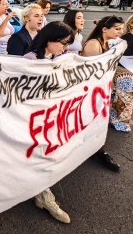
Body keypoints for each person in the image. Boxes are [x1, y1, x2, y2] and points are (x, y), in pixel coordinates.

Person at [24, 21, 75, 224]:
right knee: (40, 157)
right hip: (33, 119)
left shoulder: (59, 59)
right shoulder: (30, 59)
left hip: (52, 117)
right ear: (50, 40)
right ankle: (45, 196)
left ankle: (41, 193)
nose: (65, 48)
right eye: (63, 43)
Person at [82, 15, 125, 166]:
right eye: (117, 29)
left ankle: (96, 149)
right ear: (105, 29)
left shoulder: (106, 43)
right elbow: (93, 73)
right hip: (91, 92)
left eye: (121, 28)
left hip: (99, 91)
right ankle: (95, 151)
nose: (121, 32)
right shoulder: (94, 44)